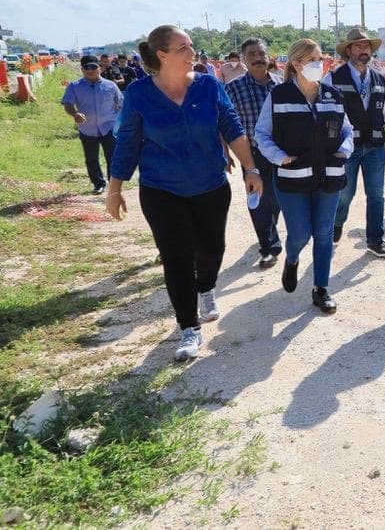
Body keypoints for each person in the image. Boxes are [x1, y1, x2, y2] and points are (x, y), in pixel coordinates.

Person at [106, 25, 263, 361]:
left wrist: (251, 168)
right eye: (183, 48)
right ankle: (189, 327)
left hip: (210, 185)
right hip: (161, 189)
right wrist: (114, 188)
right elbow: (128, 143)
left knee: (212, 249)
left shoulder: (208, 86)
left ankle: (206, 287)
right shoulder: (139, 93)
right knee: (176, 257)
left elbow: (232, 126)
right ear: (162, 55)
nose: (193, 53)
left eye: (191, 46)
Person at [255, 38, 353, 314]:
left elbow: (347, 130)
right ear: (296, 64)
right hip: (293, 179)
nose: (319, 65)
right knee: (300, 234)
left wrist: (345, 150)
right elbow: (261, 134)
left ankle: (321, 288)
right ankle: (292, 258)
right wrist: (279, 157)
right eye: (313, 60)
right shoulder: (279, 95)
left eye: (321, 59)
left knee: (323, 233)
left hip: (328, 177)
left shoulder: (333, 95)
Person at [324, 28, 385, 257]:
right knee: (345, 194)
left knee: (376, 195)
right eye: (358, 46)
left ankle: (375, 240)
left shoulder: (380, 79)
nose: (364, 50)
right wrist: (331, 146)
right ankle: (336, 224)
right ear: (349, 51)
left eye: (367, 46)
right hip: (346, 148)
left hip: (375, 146)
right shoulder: (333, 78)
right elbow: (325, 113)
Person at [224, 38, 282, 267]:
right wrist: (225, 152)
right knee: (258, 199)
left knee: (276, 199)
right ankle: (269, 247)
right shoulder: (233, 88)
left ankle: (268, 231)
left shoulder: (281, 85)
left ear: (268, 57)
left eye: (261, 53)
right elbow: (223, 123)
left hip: (280, 154)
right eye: (252, 54)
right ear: (243, 59)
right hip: (252, 155)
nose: (258, 58)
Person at [61, 58, 124, 194]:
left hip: (109, 128)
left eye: (93, 67)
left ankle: (114, 186)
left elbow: (120, 104)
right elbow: (68, 104)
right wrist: (75, 114)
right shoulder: (74, 86)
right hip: (87, 129)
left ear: (100, 68)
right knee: (91, 158)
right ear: (82, 70)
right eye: (86, 68)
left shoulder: (111, 86)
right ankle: (98, 184)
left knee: (113, 158)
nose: (90, 71)